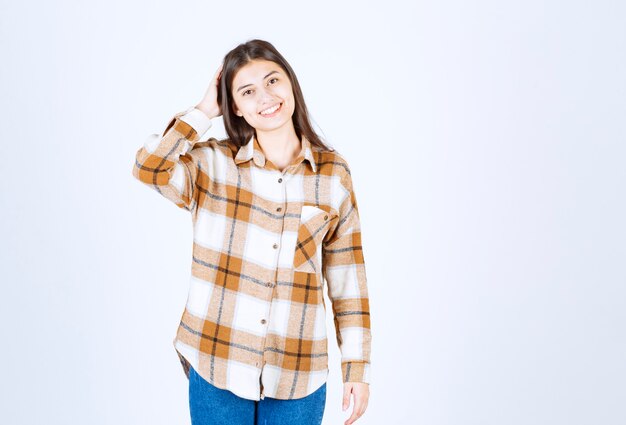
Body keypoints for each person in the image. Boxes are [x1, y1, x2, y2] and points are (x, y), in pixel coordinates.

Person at [132, 39, 372, 425]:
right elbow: (149, 169)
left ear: (291, 83)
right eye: (247, 91)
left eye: (273, 80)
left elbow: (347, 280)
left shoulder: (333, 175)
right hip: (217, 363)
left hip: (299, 374)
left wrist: (356, 368)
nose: (266, 97)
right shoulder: (212, 165)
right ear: (236, 108)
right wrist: (203, 110)